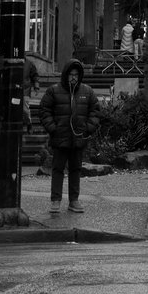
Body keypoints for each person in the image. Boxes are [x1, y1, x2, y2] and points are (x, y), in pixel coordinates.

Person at [38, 59, 100, 215]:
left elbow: (95, 111)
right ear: (66, 75)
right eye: (71, 74)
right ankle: (56, 200)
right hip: (60, 138)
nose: (73, 77)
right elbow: (44, 110)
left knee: (75, 169)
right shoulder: (54, 91)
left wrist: (87, 129)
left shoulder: (87, 91)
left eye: (76, 75)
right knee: (58, 169)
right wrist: (53, 129)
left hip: (78, 138)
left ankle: (74, 200)